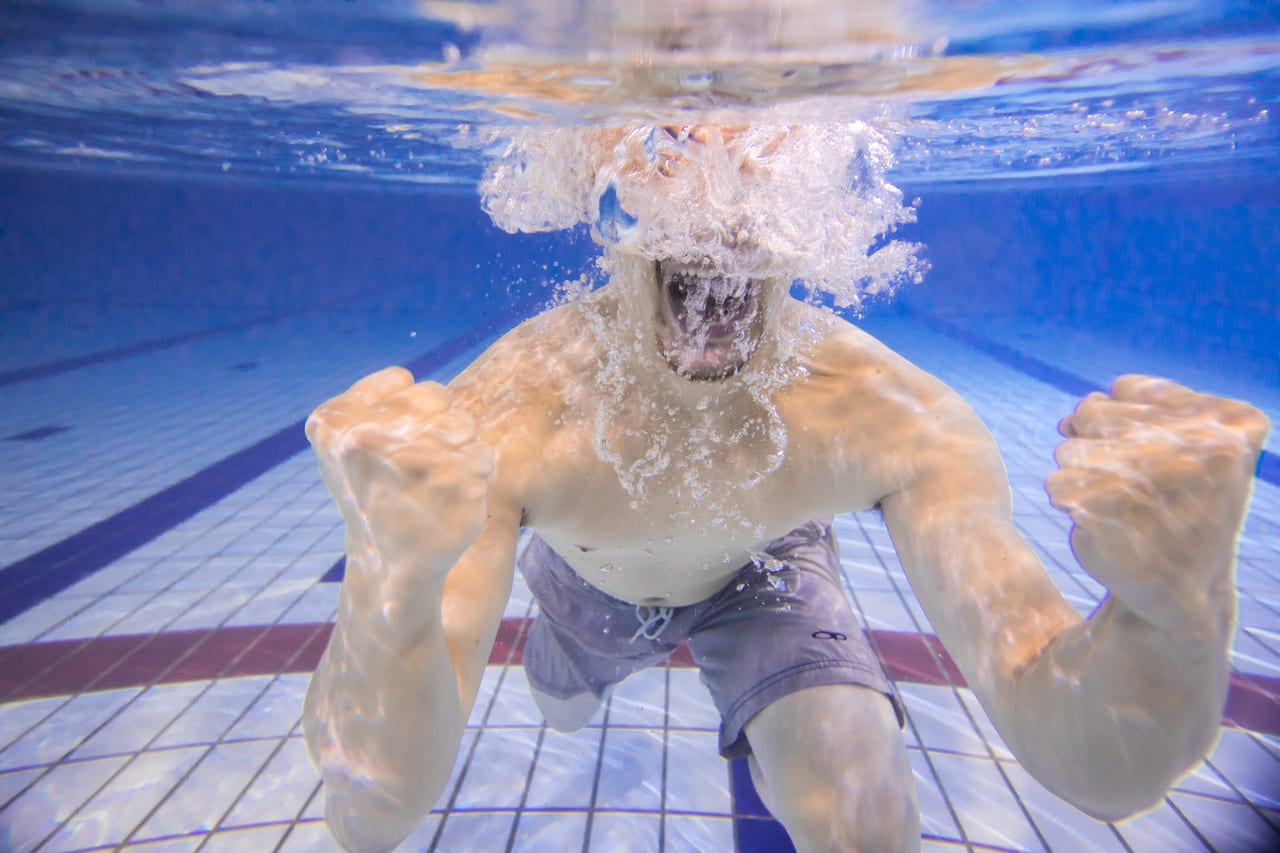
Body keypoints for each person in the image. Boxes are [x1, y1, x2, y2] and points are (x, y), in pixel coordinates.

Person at [300, 127, 1269, 853]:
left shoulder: (889, 416)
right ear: (606, 222)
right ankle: (569, 669)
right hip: (587, 589)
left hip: (767, 571)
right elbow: (369, 809)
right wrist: (385, 589)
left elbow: (1098, 763)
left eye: (760, 161)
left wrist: (1169, 615)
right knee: (558, 706)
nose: (721, 191)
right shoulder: (516, 411)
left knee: (863, 811)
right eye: (672, 154)